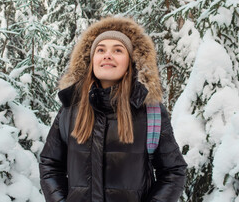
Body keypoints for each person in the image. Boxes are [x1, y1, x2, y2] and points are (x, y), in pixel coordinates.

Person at [39, 17, 187, 202]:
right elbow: (50, 164)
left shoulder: (150, 112)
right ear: (91, 60)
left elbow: (173, 171)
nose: (107, 55)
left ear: (131, 62)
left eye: (118, 50)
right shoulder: (70, 110)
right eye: (100, 50)